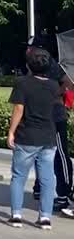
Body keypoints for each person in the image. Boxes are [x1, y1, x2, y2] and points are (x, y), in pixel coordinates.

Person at [8, 46, 62, 229]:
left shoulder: (22, 83)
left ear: (28, 65)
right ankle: (45, 217)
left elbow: (18, 108)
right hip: (48, 137)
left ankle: (16, 214)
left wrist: (11, 131)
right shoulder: (54, 86)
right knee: (47, 178)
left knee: (18, 176)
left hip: (27, 136)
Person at [28, 36, 74, 217]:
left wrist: (54, 93)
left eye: (31, 47)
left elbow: (68, 82)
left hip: (54, 115)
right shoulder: (32, 65)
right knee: (39, 152)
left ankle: (64, 193)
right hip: (39, 115)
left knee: (60, 154)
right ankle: (40, 187)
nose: (28, 50)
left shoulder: (52, 65)